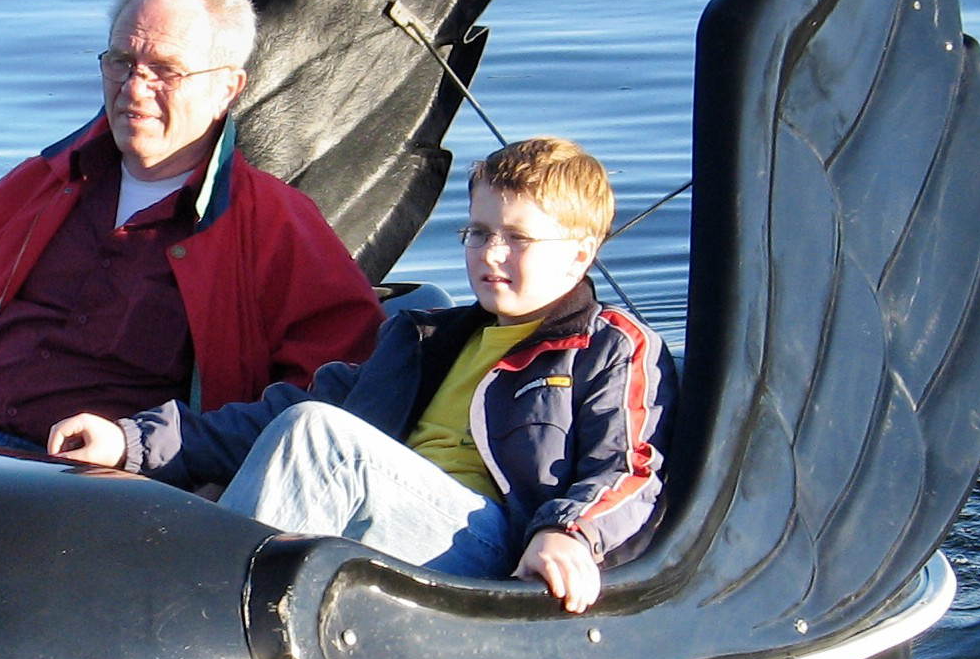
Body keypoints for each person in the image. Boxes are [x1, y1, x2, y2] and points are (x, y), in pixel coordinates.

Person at [48, 136, 671, 610]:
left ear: (580, 253)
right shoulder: (425, 340)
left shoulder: (610, 347)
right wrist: (129, 440)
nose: (491, 254)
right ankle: (184, 601)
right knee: (301, 429)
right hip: (385, 520)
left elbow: (630, 470)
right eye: (478, 232)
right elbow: (277, 419)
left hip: (493, 551)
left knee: (320, 437)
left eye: (518, 238)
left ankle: (195, 615)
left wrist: (568, 533)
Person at [0, 0, 384, 445]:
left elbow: (335, 384)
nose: (134, 88)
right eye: (121, 61)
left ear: (227, 89)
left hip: (113, 493)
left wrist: (180, 452)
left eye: (164, 70)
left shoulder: (273, 221)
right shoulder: (37, 186)